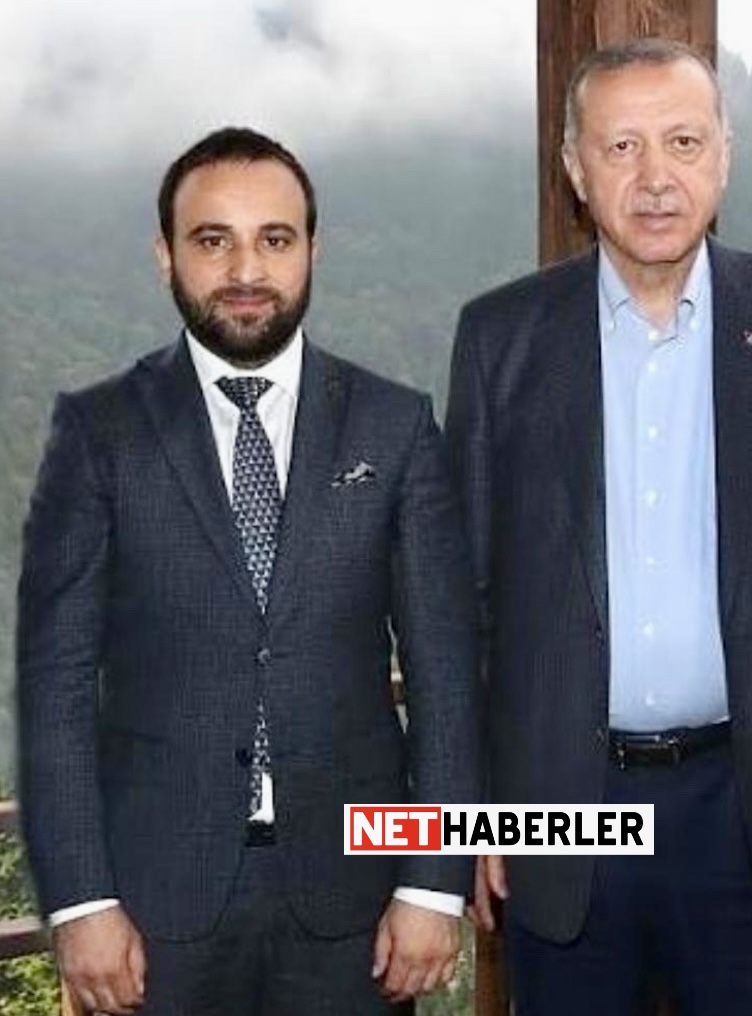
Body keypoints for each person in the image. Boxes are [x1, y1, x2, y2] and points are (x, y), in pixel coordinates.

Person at [445, 38, 752, 1015]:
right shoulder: (501, 338)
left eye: (684, 142)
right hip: (562, 812)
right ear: (575, 170)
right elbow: (462, 599)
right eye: (622, 147)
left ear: (724, 156)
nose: (655, 177)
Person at [17, 126, 479, 1016]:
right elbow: (54, 686)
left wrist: (433, 881)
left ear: (312, 250)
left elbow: (445, 675)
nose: (246, 269)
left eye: (274, 238)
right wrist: (80, 901)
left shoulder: (394, 426)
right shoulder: (98, 432)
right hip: (150, 908)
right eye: (212, 240)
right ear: (166, 256)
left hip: (358, 901)